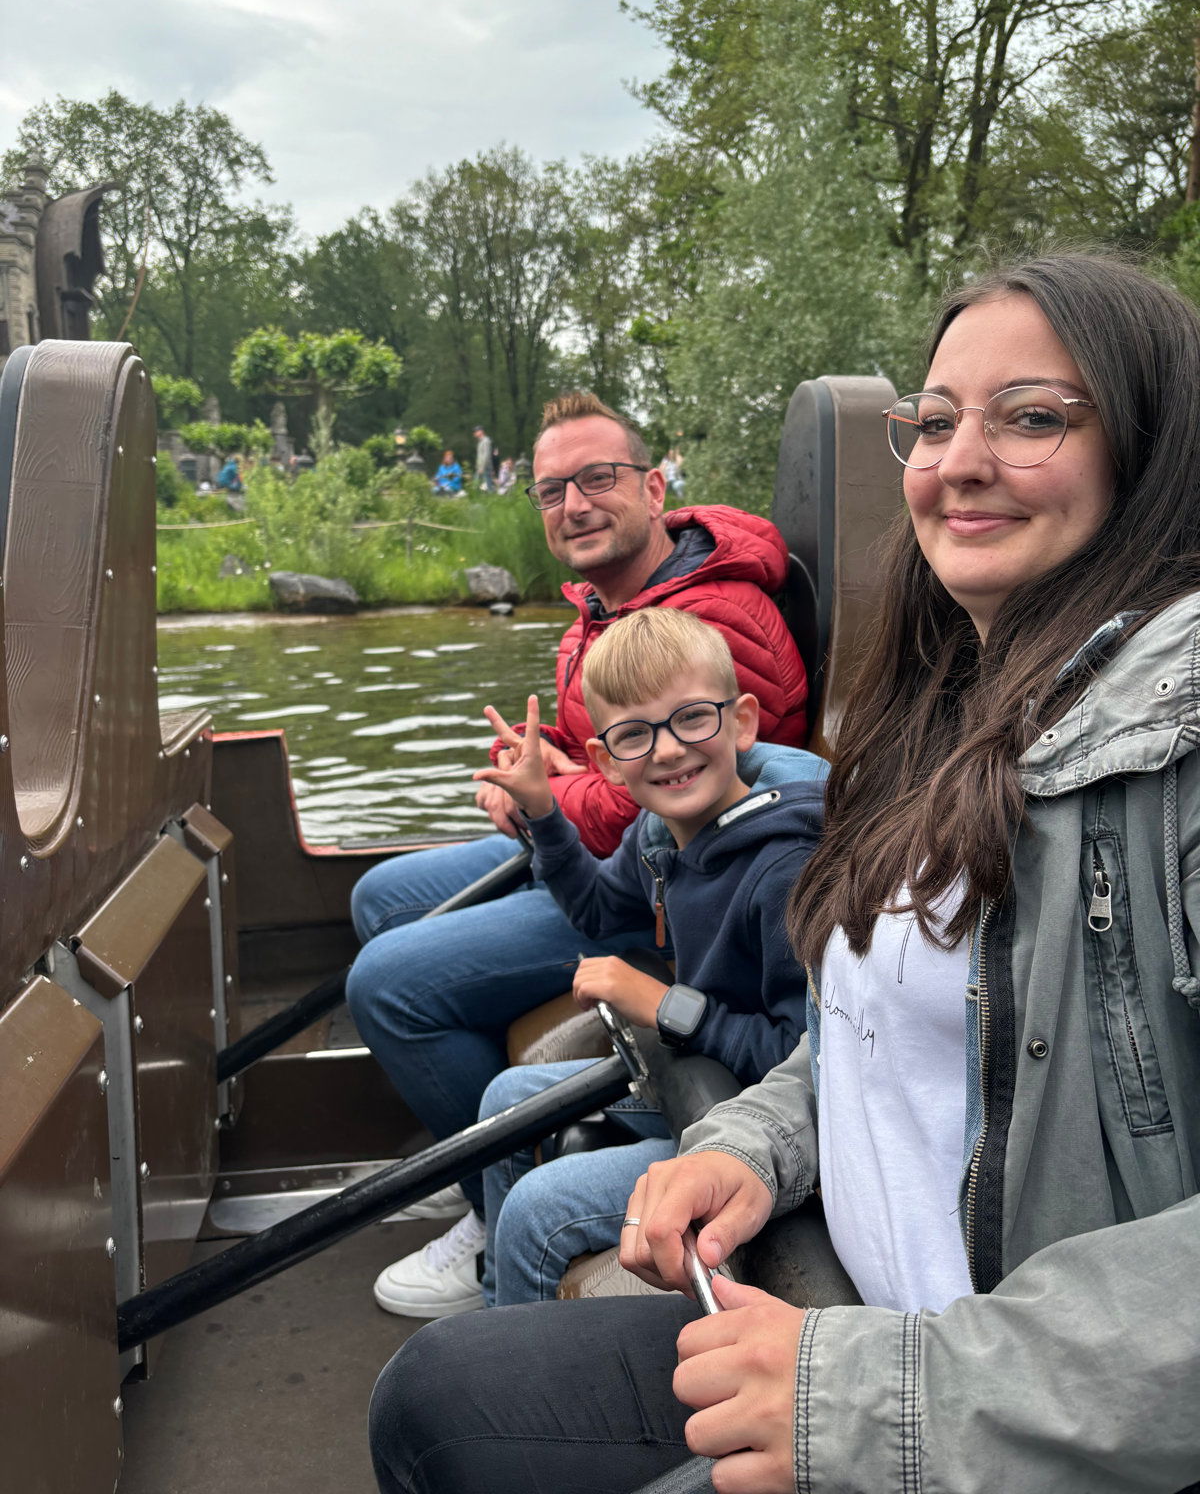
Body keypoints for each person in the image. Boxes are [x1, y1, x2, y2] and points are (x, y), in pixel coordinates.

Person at [367, 253, 1200, 1494]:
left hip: (983, 1401)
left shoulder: (1175, 727)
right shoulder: (941, 713)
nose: (958, 460)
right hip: (842, 1310)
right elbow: (876, 1032)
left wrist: (868, 1395)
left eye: (1033, 417)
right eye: (934, 420)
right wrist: (754, 1145)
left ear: (1152, 448)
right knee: (428, 1398)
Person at [345, 389, 808, 1304]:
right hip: (639, 867)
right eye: (553, 489)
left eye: (599, 479)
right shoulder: (603, 614)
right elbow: (633, 811)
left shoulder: (717, 632)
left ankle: (495, 1216)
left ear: (654, 486)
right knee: (380, 896)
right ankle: (489, 1193)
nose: (576, 504)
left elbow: (696, 789)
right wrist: (546, 796)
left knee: (389, 982)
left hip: (694, 945)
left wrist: (560, 793)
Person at [372, 609, 825, 1318]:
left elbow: (804, 1058)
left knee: (535, 1212)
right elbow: (594, 910)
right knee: (504, 1104)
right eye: (637, 734)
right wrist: (543, 815)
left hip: (761, 1119)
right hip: (698, 1079)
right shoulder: (660, 830)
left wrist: (659, 1004)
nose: (670, 751)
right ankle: (498, 1307)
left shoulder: (783, 870)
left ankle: (516, 1367)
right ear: (607, 760)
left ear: (741, 722)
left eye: (692, 720)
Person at [473, 426, 495, 492]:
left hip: (485, 467)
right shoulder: (480, 442)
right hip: (480, 467)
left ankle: (492, 498)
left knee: (488, 485)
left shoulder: (486, 441)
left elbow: (486, 455)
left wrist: (482, 467)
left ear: (481, 431)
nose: (474, 433)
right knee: (476, 484)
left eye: (476, 431)